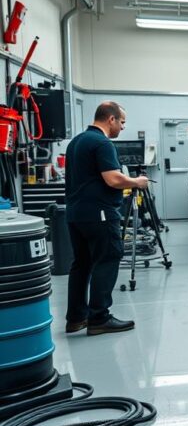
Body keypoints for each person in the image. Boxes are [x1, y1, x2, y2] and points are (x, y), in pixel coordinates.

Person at [64, 101, 148, 335]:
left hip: (75, 214)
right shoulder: (102, 143)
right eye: (121, 122)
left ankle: (76, 318)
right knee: (108, 258)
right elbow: (112, 179)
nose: (122, 127)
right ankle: (99, 318)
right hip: (99, 213)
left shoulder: (76, 142)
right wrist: (136, 182)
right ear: (110, 119)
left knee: (81, 264)